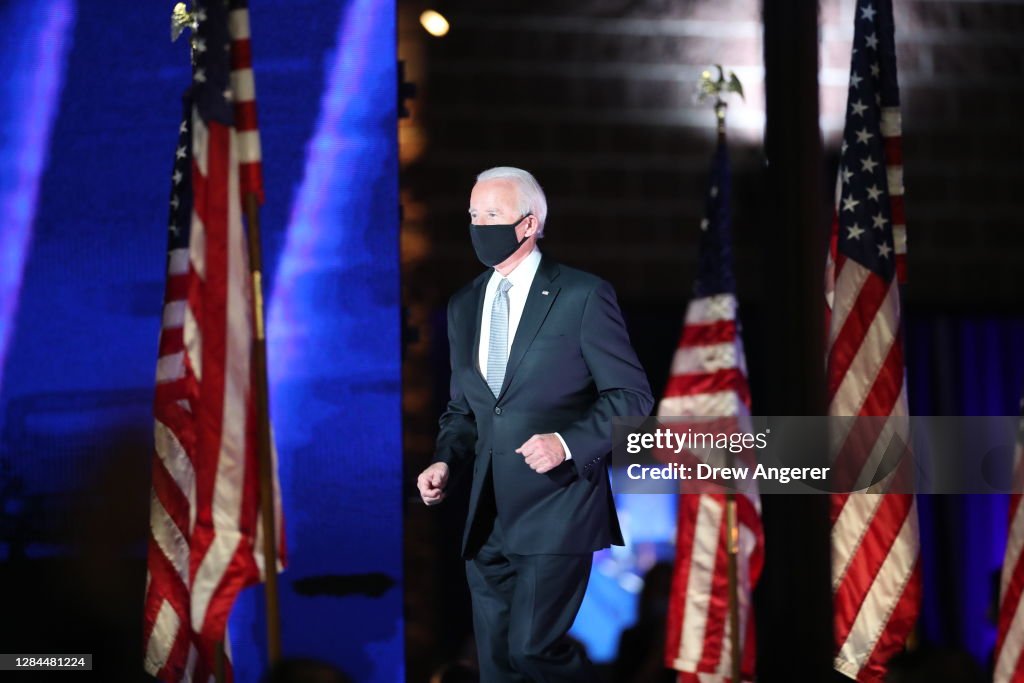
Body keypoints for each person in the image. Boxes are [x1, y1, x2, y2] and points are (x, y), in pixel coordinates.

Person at [417, 167, 654, 682]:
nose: (479, 226)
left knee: (533, 652)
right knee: (498, 667)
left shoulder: (581, 296)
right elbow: (465, 411)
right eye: (473, 215)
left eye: (492, 216)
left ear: (528, 225)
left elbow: (632, 396)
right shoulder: (464, 306)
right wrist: (444, 459)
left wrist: (567, 443)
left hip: (557, 505)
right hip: (487, 516)